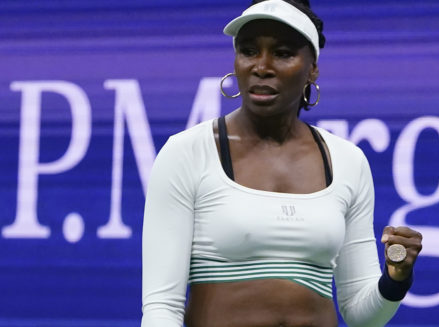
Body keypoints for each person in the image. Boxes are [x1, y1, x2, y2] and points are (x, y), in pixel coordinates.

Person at [141, 0, 423, 326]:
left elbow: (362, 316)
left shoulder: (348, 161)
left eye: (283, 53)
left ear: (313, 66)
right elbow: (162, 308)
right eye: (248, 51)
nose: (262, 66)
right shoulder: (186, 152)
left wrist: (396, 278)